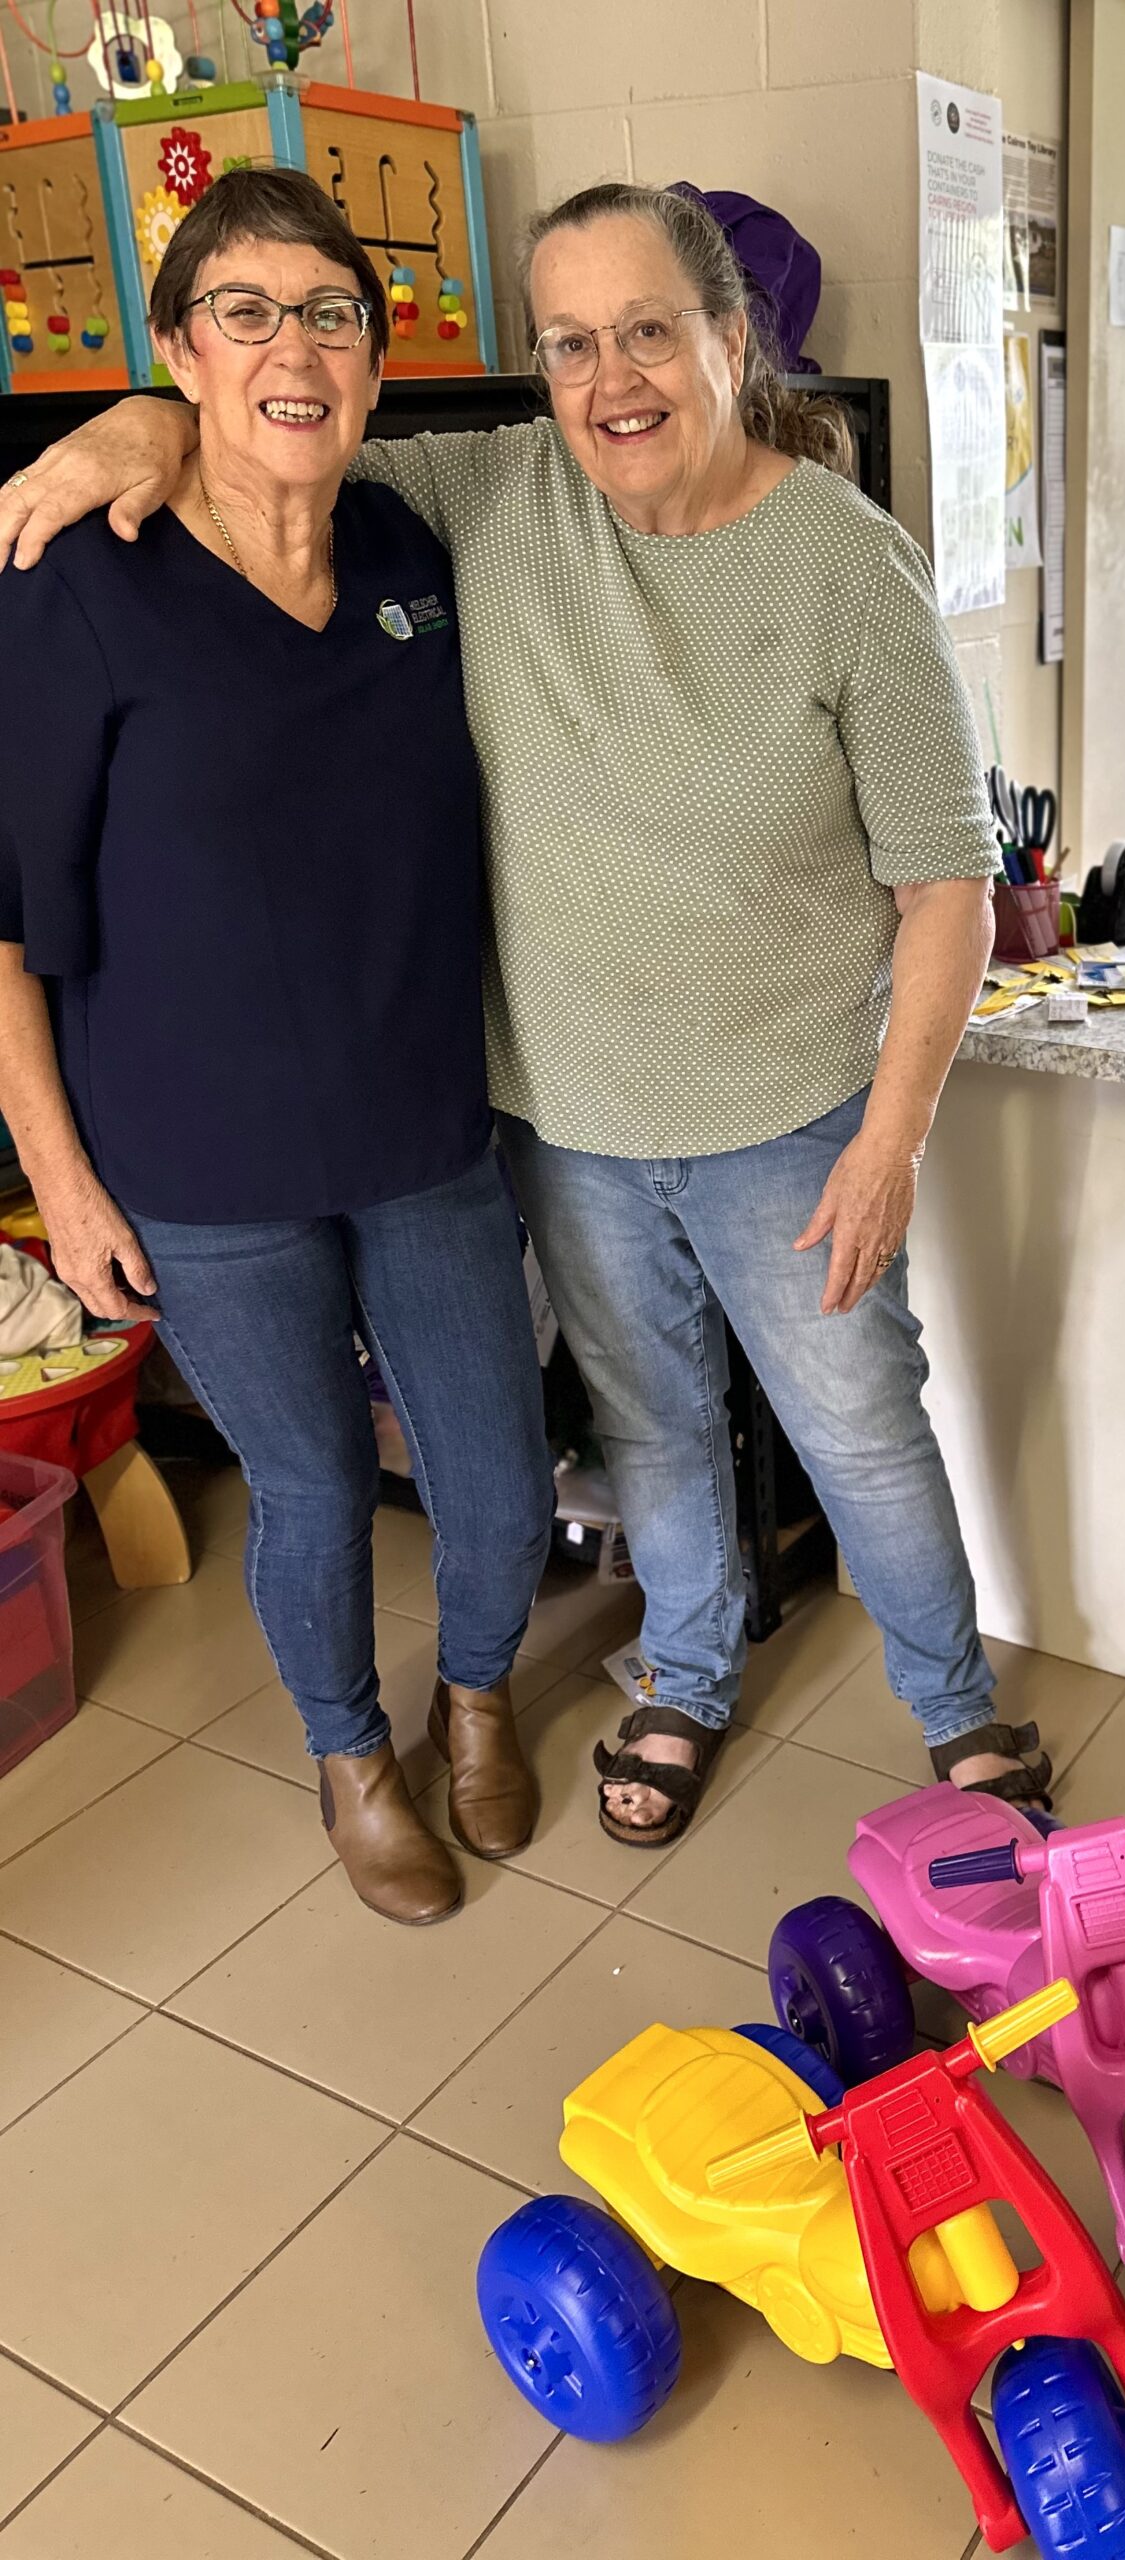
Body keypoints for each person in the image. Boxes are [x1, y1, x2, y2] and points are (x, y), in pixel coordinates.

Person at [4, 180, 1040, 1848]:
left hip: (770, 1116)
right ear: (533, 374)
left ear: (729, 338)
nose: (612, 378)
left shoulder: (841, 566)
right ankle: (668, 1685)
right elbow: (270, 433)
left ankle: (955, 1712)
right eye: (569, 344)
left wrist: (890, 1139)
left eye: (648, 331)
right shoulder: (482, 492)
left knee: (849, 1423)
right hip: (555, 1115)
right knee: (636, 1432)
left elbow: (947, 886)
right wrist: (128, 422)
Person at [0, 169, 552, 1923]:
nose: (291, 349)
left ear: (379, 367)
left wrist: (154, 414)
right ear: (177, 349)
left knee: (494, 1467)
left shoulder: (411, 548)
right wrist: (60, 1180)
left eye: (329, 315)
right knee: (310, 1483)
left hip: (420, 1124)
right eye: (242, 315)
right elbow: (5, 915)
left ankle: (475, 1695)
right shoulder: (84, 578)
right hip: (198, 1152)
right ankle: (349, 1752)